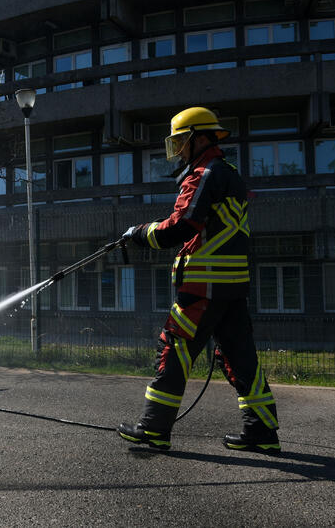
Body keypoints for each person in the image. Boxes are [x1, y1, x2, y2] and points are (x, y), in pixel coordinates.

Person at [117, 107, 280, 454]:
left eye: (181, 141)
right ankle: (261, 430)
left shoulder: (205, 173)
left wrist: (139, 233)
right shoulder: (230, 173)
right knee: (240, 357)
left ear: (200, 138)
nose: (178, 150)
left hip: (204, 288)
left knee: (173, 348)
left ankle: (153, 429)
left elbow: (181, 226)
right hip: (232, 287)